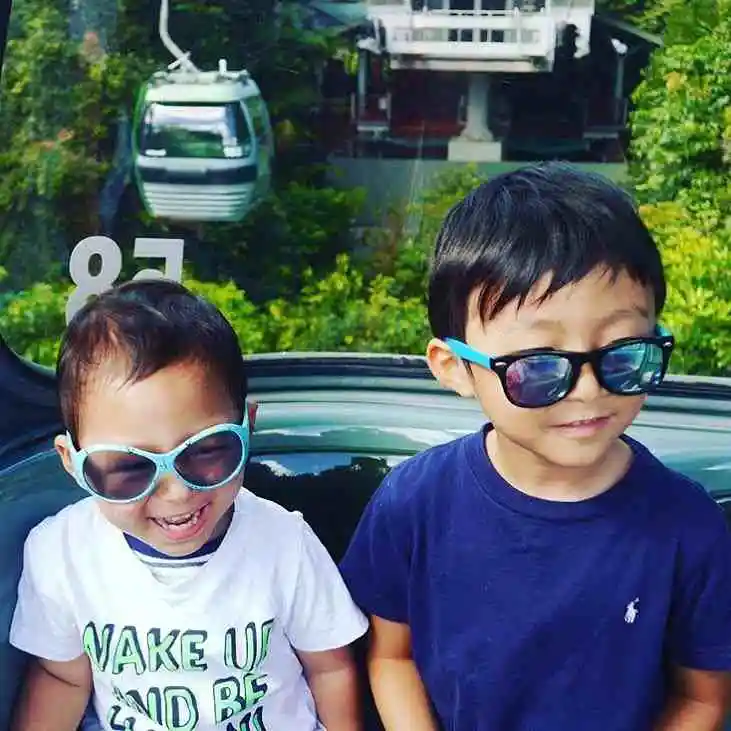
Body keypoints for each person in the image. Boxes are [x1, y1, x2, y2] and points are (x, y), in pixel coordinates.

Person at [339, 162, 731, 731]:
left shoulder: (687, 526)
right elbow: (391, 656)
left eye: (624, 354)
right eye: (539, 367)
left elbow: (703, 699)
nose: (590, 390)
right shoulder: (414, 502)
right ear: (454, 368)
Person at [10, 279, 368, 731]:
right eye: (128, 468)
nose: (176, 492)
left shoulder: (283, 543)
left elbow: (330, 667)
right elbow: (61, 677)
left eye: (205, 450)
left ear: (246, 427)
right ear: (73, 463)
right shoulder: (60, 553)